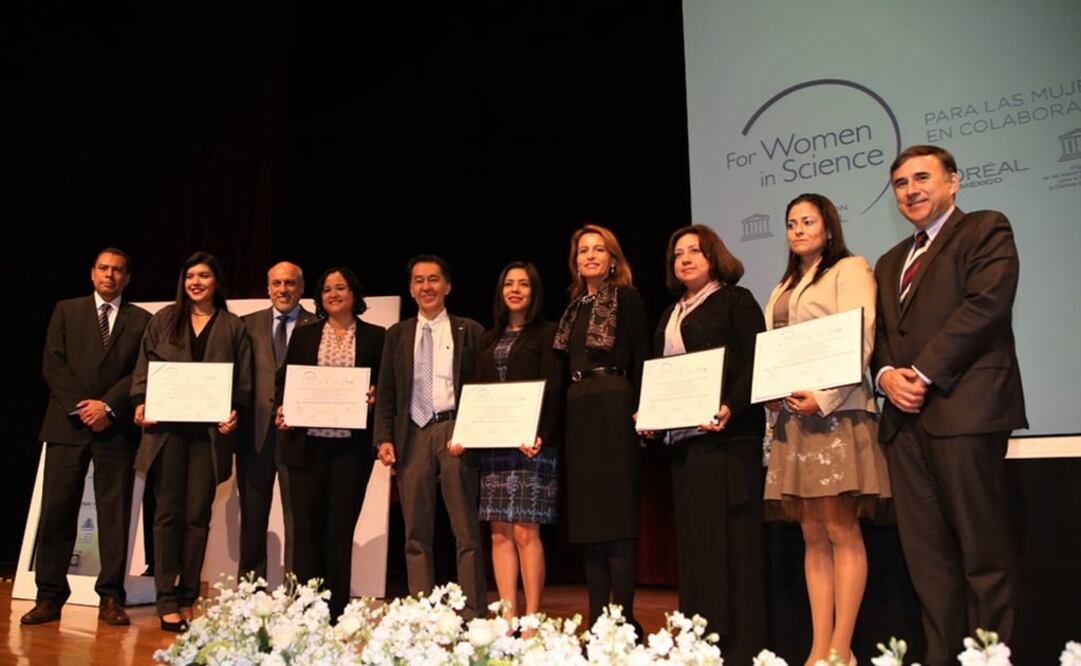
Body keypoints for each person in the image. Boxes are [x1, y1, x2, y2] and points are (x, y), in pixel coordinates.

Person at [873, 145, 1025, 666]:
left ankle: (990, 659)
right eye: (900, 183)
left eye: (922, 178)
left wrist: (920, 372)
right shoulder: (891, 261)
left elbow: (985, 306)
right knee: (928, 561)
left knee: (982, 555)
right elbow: (886, 336)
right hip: (903, 422)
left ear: (953, 182)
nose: (911, 190)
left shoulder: (985, 229)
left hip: (966, 411)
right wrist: (888, 374)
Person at [763, 193, 890, 666]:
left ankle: (843, 647)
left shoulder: (850, 268)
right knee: (812, 533)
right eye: (791, 222)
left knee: (840, 527)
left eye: (808, 221)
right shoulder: (783, 286)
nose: (798, 230)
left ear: (829, 228)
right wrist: (771, 396)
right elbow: (776, 351)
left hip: (836, 413)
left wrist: (825, 396)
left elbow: (860, 335)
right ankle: (819, 648)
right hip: (793, 420)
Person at [648, 226, 766, 665]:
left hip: (727, 441)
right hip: (685, 444)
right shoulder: (670, 312)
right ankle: (699, 642)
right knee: (696, 547)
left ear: (714, 256)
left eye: (694, 251)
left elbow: (755, 360)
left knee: (729, 546)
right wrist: (652, 419)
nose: (685, 259)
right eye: (678, 253)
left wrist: (731, 406)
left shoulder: (737, 299)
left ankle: (736, 648)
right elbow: (662, 372)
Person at [23, 248, 151, 627]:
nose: (110, 276)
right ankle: (49, 597)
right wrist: (83, 408)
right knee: (57, 512)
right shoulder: (67, 310)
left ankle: (110, 598)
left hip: (115, 427)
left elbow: (140, 370)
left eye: (118, 271)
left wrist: (106, 406)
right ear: (92, 273)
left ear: (127, 278)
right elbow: (53, 362)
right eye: (104, 269)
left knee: (114, 515)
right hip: (67, 425)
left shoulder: (141, 319)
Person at [131, 251, 252, 632]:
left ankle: (187, 595)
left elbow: (244, 384)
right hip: (166, 433)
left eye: (203, 276)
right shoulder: (164, 320)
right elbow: (143, 371)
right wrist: (139, 404)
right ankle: (166, 597)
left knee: (198, 515)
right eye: (189, 277)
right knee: (167, 513)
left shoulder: (233, 326)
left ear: (217, 281)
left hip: (208, 436)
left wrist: (236, 413)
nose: (196, 282)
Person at [448, 261, 562, 623]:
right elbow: (477, 391)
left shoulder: (549, 332)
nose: (515, 290)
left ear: (534, 291)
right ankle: (508, 617)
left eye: (523, 284)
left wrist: (540, 434)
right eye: (508, 284)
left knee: (526, 532)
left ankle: (531, 619)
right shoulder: (489, 337)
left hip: (531, 446)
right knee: (499, 534)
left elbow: (554, 389)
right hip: (495, 447)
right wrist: (465, 432)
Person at [373, 255, 487, 618]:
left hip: (455, 430)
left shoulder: (470, 330)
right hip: (412, 433)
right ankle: (422, 612)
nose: (426, 287)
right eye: (419, 280)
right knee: (415, 532)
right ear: (410, 289)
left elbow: (481, 388)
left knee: (465, 530)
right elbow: (387, 390)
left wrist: (470, 431)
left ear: (448, 286)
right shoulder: (397, 334)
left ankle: (472, 613)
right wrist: (383, 437)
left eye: (434, 279)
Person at [274, 266, 384, 621]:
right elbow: (284, 383)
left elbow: (388, 388)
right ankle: (307, 607)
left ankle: (335, 609)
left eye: (340, 288)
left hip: (350, 451)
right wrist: (281, 407)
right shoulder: (305, 336)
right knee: (306, 528)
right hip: (306, 447)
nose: (333, 294)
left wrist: (375, 396)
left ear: (354, 293)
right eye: (326, 290)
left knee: (340, 528)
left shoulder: (376, 337)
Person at [554, 224, 649, 631]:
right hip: (579, 408)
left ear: (613, 259)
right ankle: (597, 621)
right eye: (582, 251)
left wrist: (648, 409)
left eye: (599, 249)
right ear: (576, 262)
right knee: (589, 519)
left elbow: (644, 357)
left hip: (615, 403)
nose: (590, 256)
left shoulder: (627, 298)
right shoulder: (572, 308)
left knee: (618, 515)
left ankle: (624, 620)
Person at [238, 261, 317, 580]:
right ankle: (249, 593)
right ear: (268, 287)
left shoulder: (318, 325)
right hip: (254, 437)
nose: (283, 290)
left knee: (298, 519)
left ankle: (295, 593)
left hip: (300, 437)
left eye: (290, 283)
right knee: (253, 519)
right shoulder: (245, 324)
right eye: (276, 284)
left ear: (301, 287)